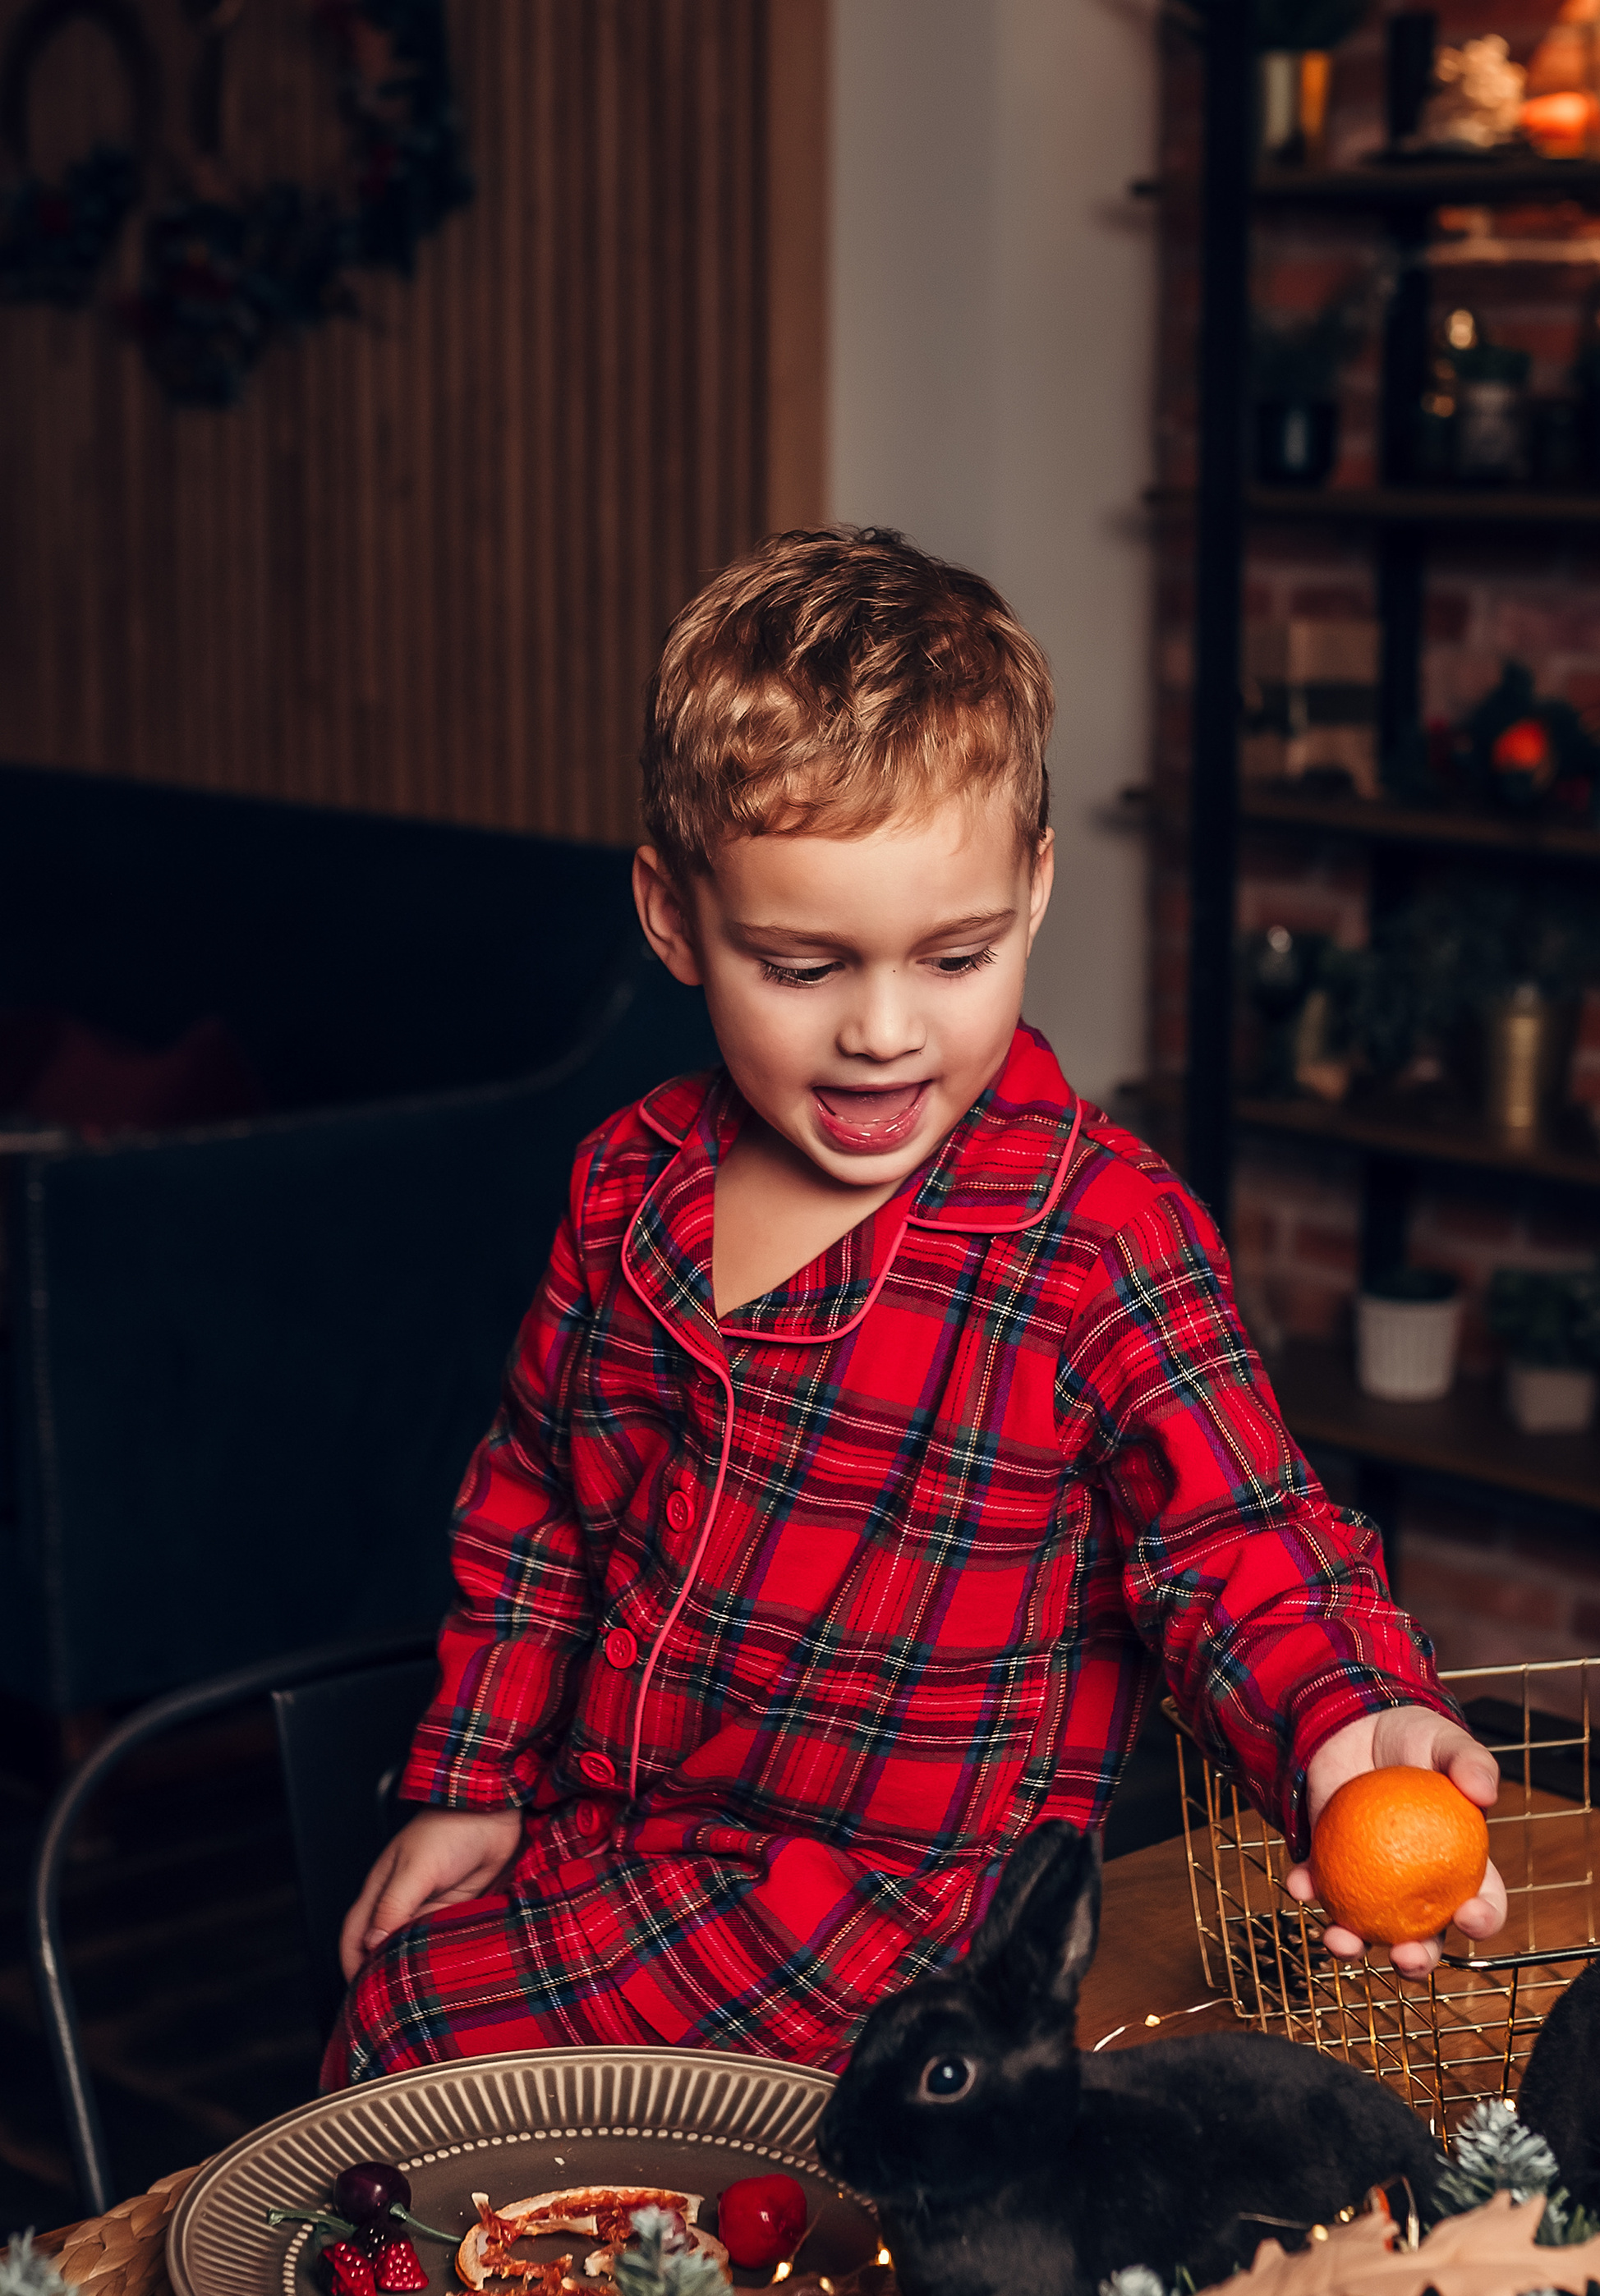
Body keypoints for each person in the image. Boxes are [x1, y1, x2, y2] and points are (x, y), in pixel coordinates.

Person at [325, 527, 1506, 2088]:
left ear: (1034, 891)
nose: (884, 1035)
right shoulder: (626, 1189)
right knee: (399, 2034)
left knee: (429, 2053)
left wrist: (1347, 1726)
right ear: (675, 919)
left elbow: (1242, 1541)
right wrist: (473, 1778)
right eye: (802, 967)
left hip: (911, 1935)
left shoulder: (1098, 1237)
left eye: (954, 957)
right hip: (613, 1854)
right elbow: (539, 1506)